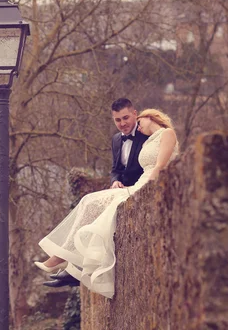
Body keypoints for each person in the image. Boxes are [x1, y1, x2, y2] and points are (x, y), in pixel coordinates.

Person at [34, 108, 179, 298]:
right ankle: (65, 258)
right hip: (137, 185)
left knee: (94, 204)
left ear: (148, 117)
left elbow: (160, 166)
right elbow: (119, 168)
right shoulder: (147, 139)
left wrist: (143, 191)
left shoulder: (167, 133)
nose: (138, 127)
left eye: (139, 123)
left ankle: (64, 258)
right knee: (89, 202)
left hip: (143, 188)